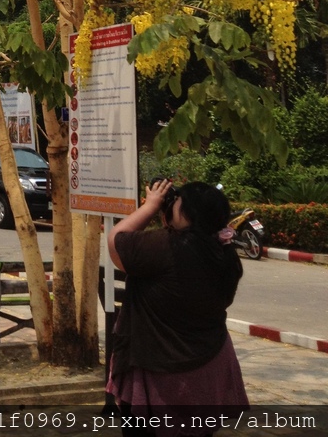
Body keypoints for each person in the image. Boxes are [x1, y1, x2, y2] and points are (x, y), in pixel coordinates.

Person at [106, 178, 248, 423]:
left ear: (188, 214)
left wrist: (150, 205)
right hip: (209, 363)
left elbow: (116, 241)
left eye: (176, 202)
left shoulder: (166, 246)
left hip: (163, 373)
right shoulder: (225, 254)